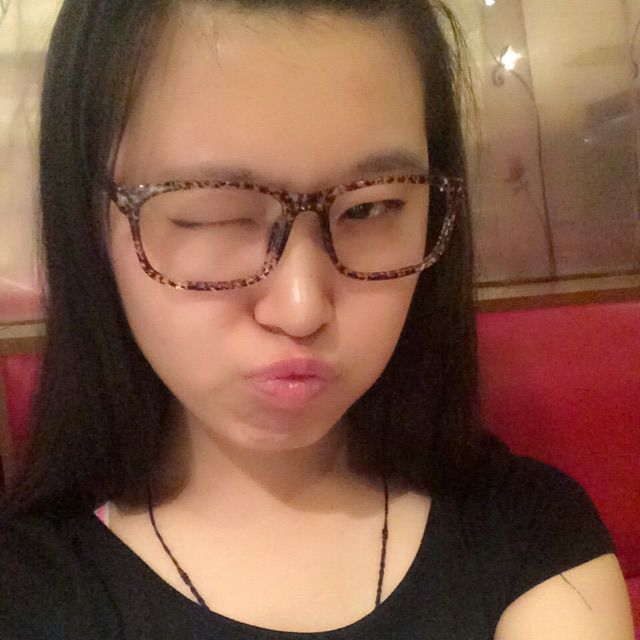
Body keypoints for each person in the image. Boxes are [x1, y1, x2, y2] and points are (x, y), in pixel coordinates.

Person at [0, 1, 634, 638]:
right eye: (211, 215)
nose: (301, 309)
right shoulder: (30, 589)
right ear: (89, 224)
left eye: (370, 209)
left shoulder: (528, 538)